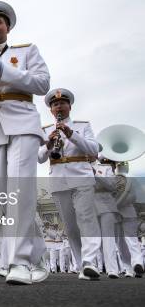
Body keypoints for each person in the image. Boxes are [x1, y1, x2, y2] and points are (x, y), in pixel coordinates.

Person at [0, 0, 50, 285]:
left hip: (22, 122)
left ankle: (19, 262)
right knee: (5, 198)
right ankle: (37, 256)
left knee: (20, 189)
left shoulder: (26, 51)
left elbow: (42, 84)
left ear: (7, 27)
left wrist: (4, 69)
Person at [38, 88, 101, 280]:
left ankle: (91, 261)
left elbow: (93, 149)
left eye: (62, 103)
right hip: (58, 179)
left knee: (87, 219)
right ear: (51, 110)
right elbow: (39, 158)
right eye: (55, 104)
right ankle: (83, 264)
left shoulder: (83, 126)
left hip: (81, 176)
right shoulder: (46, 130)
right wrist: (49, 144)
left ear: (69, 106)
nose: (58, 106)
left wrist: (71, 134)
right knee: (71, 226)